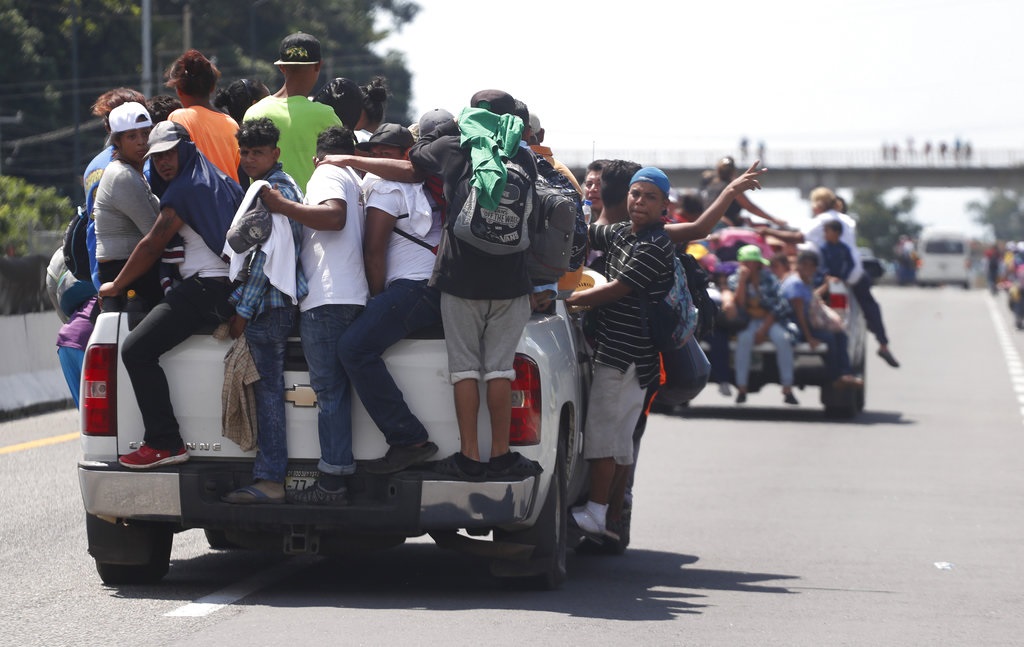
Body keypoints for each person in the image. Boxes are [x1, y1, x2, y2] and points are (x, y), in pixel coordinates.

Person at [408, 88, 542, 481]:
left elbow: (416, 158)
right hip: (512, 282)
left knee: (465, 370)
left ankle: (469, 456)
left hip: (461, 278)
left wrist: (442, 133)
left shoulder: (456, 146)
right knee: (499, 371)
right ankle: (500, 454)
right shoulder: (524, 155)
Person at [98, 121, 243, 469]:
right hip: (226, 289)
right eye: (156, 156)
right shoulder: (218, 179)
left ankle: (164, 441)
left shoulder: (183, 190)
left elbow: (152, 245)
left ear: (186, 149)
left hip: (208, 289)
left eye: (169, 153)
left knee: (135, 351)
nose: (162, 162)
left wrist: (116, 285)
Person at [562, 168, 677, 540]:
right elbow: (589, 230)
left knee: (603, 439)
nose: (639, 202)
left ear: (664, 206)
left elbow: (618, 289)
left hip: (623, 355)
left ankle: (596, 512)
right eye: (635, 194)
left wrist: (564, 299)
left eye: (649, 197)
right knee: (622, 442)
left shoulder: (653, 244)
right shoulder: (625, 232)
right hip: (631, 355)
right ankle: (611, 517)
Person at [259, 125, 366, 505]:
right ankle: (345, 470)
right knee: (341, 389)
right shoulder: (358, 182)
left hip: (327, 298)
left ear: (320, 156)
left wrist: (282, 206)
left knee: (329, 392)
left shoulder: (327, 173)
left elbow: (332, 218)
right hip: (353, 294)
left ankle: (333, 480)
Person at [335, 123, 442, 474]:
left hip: (413, 287)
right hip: (435, 285)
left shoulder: (385, 187)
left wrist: (374, 299)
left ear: (406, 155)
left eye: (389, 153)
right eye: (376, 152)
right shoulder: (428, 186)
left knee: (353, 347)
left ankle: (408, 438)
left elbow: (374, 252)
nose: (380, 159)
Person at [221, 117, 307, 504]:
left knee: (269, 393)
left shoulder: (271, 191)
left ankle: (271, 477)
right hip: (278, 306)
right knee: (270, 391)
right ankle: (269, 474)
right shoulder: (281, 187)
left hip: (267, 308)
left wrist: (242, 310)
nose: (249, 159)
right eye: (245, 152)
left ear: (275, 153)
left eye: (258, 152)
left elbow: (264, 262)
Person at [762, 186, 899, 368]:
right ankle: (882, 344)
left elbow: (797, 237)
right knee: (870, 307)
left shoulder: (821, 222)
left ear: (817, 205)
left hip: (831, 278)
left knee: (824, 304)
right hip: (854, 276)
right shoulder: (848, 221)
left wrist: (768, 231)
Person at [243, 32, 341, 189]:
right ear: (318, 65)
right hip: (310, 211)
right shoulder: (325, 115)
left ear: (281, 67)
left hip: (264, 209)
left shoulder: (254, 112)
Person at [91, 101, 163, 308]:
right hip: (125, 273)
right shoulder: (123, 176)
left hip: (132, 271)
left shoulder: (133, 173)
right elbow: (154, 235)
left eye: (145, 133)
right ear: (118, 141)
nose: (142, 142)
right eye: (132, 136)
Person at [83, 87, 149, 288]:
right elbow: (154, 231)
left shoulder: (92, 167)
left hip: (97, 272)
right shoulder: (137, 166)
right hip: (130, 273)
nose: (140, 140)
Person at [781, 249, 864, 390]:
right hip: (796, 326)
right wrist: (809, 338)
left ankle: (844, 374)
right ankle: (835, 378)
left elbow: (812, 297)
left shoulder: (804, 282)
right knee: (830, 339)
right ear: (798, 265)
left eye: (812, 265)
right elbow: (800, 314)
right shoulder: (795, 284)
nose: (808, 268)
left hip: (807, 323)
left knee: (840, 335)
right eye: (805, 264)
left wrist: (826, 286)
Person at [726, 244, 797, 405]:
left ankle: (787, 388)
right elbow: (740, 304)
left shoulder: (769, 278)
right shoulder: (735, 279)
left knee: (783, 339)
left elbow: (778, 305)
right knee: (743, 340)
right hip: (748, 320)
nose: (750, 266)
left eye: (753, 262)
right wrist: (743, 282)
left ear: (759, 263)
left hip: (769, 319)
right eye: (747, 262)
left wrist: (764, 328)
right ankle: (742, 387)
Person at [165, 49, 241, 182]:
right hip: (231, 200)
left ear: (179, 90)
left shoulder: (178, 118)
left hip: (197, 201)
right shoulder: (231, 123)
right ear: (212, 87)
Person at [701, 156, 787, 228]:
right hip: (726, 227)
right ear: (734, 171)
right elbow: (750, 207)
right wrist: (774, 220)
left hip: (712, 223)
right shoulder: (732, 187)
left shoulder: (711, 184)